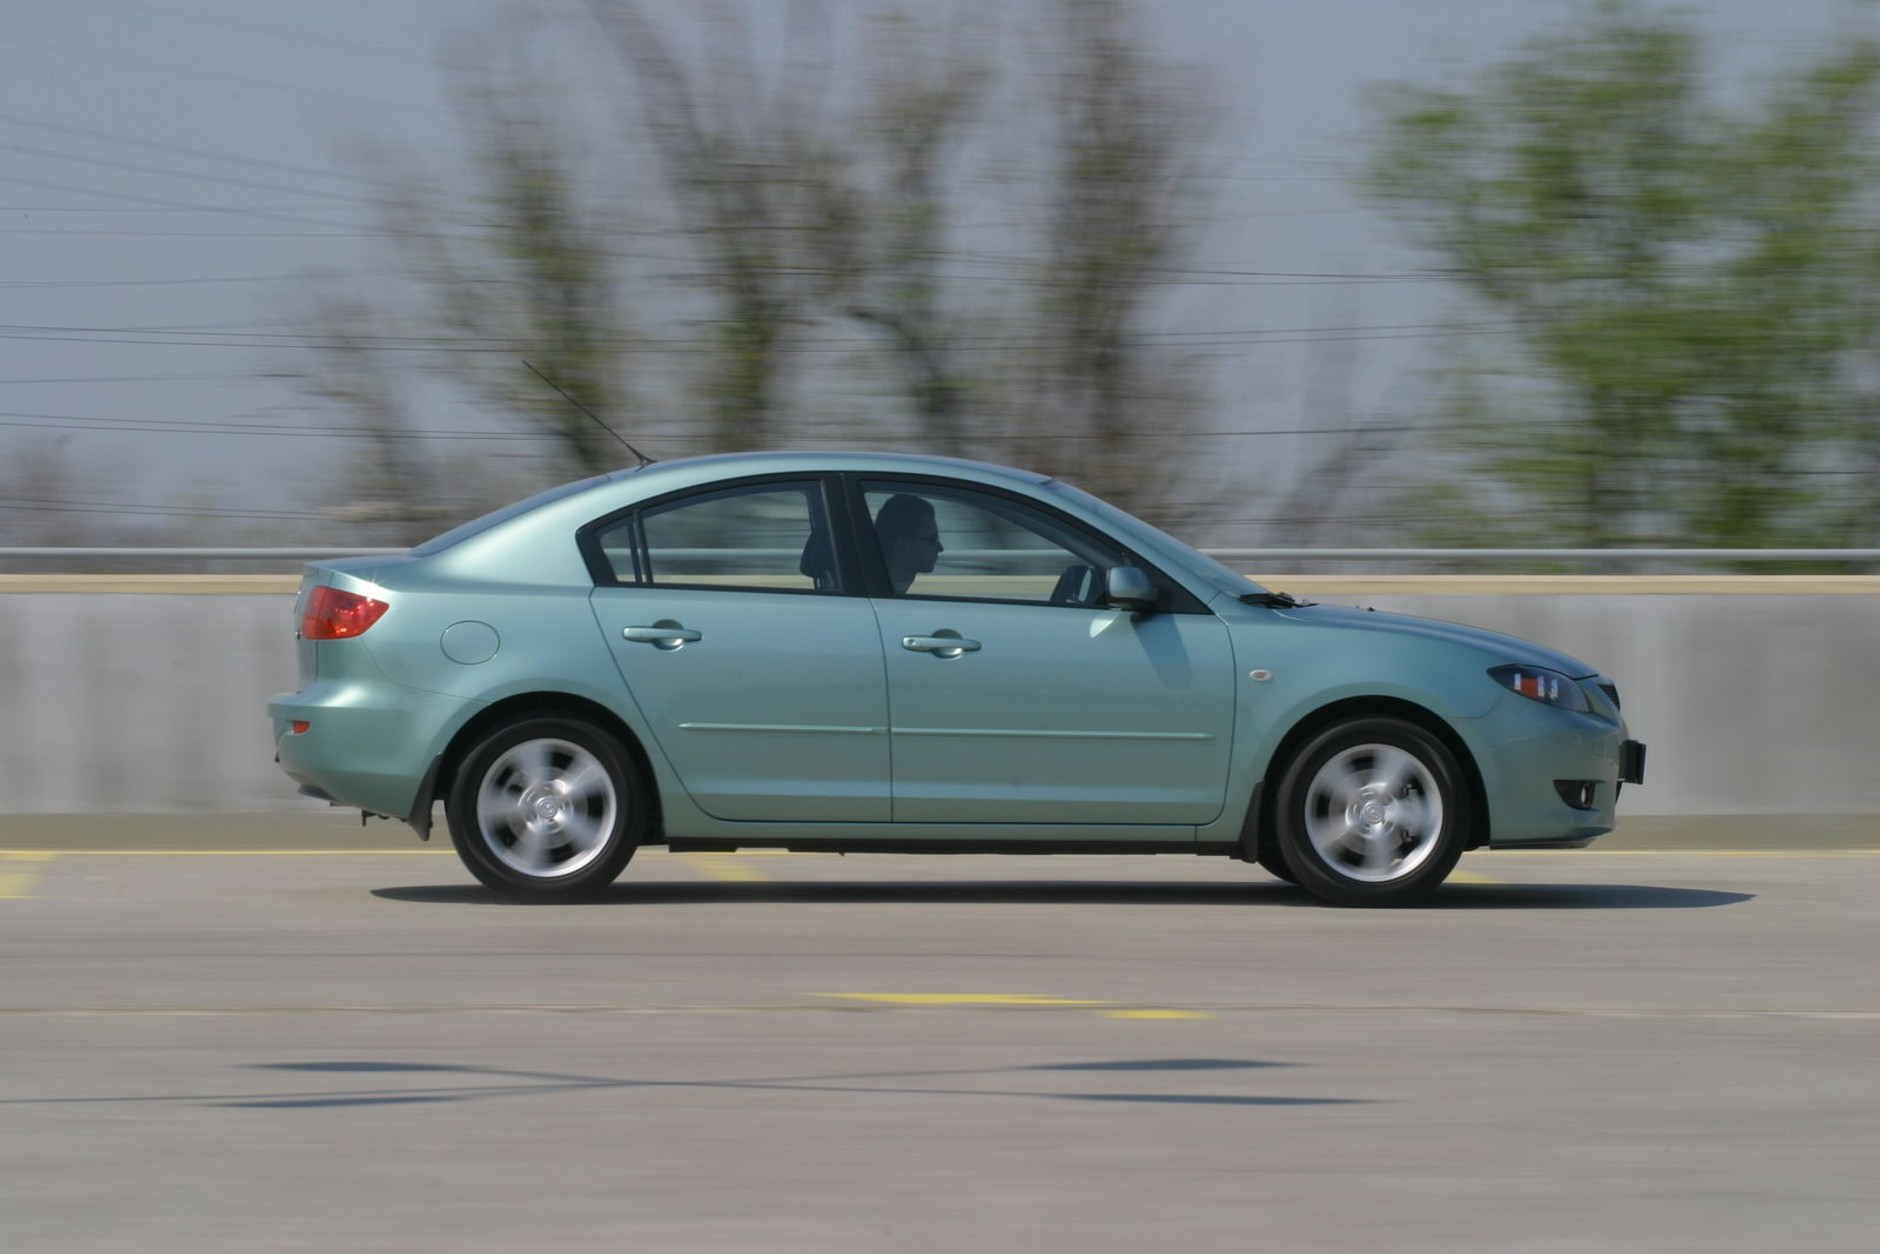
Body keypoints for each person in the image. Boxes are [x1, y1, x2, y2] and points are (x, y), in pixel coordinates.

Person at [874, 493, 944, 594]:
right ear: (902, 544)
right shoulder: (878, 593)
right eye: (932, 539)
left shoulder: (880, 589)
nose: (940, 548)